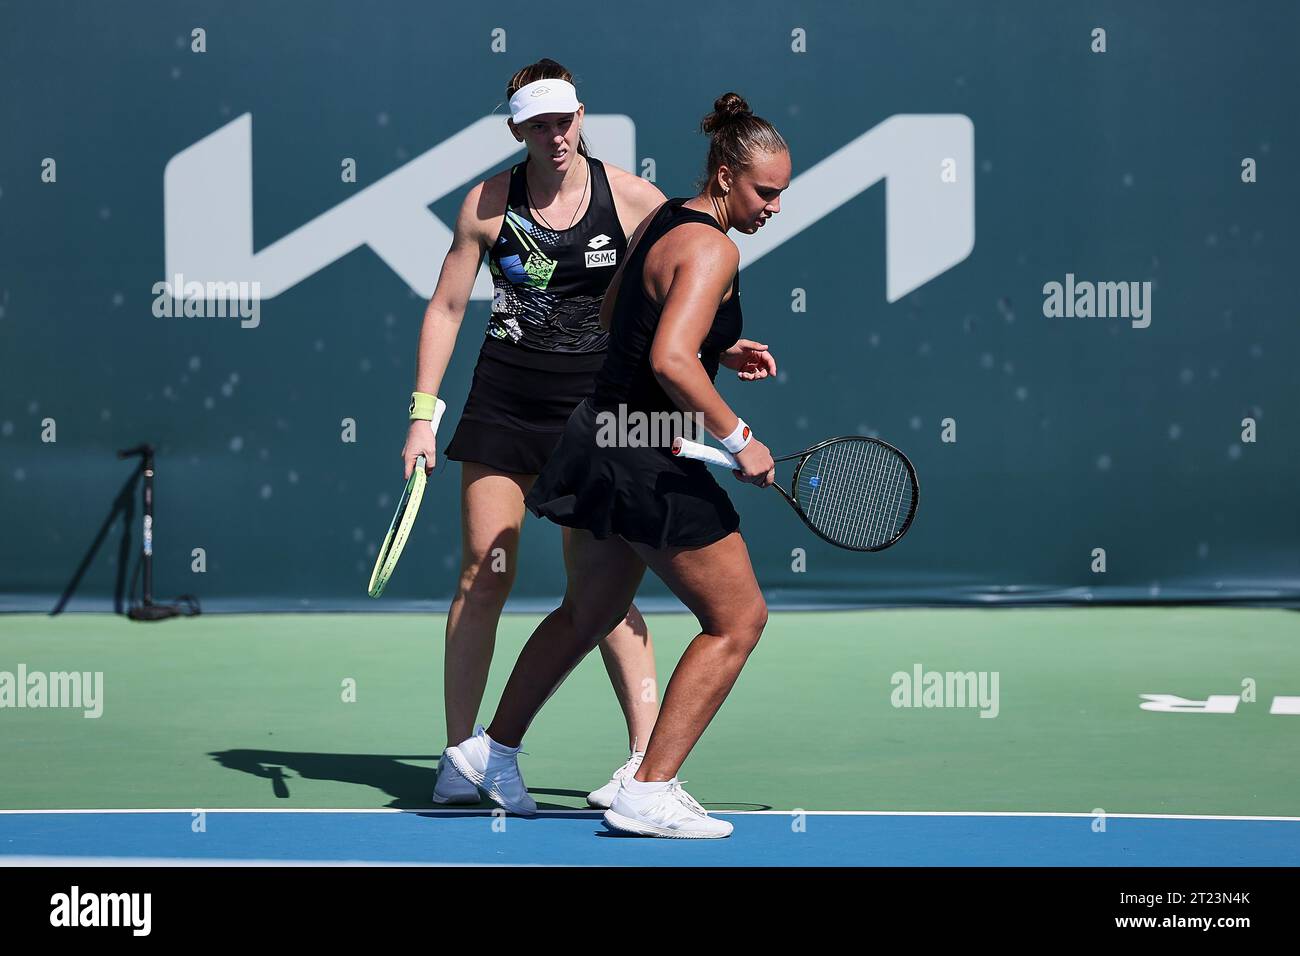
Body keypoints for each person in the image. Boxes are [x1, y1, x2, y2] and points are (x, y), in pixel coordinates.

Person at [446, 92, 789, 838]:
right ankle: (649, 788)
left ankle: (491, 753)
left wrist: (711, 346)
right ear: (728, 176)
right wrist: (738, 437)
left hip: (597, 435)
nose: (774, 208)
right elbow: (668, 357)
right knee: (737, 620)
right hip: (639, 455)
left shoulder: (665, 218)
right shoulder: (714, 247)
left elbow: (615, 318)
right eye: (765, 192)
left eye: (783, 194)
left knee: (589, 611)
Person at [402, 59, 669, 808]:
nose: (556, 136)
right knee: (482, 574)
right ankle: (463, 759)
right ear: (517, 128)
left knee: (604, 590)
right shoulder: (487, 205)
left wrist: (724, 347)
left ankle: (645, 766)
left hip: (595, 416)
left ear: (582, 117)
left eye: (566, 120)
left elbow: (683, 284)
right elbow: (448, 308)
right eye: (539, 124)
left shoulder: (635, 201)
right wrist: (424, 416)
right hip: (505, 408)